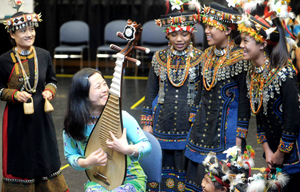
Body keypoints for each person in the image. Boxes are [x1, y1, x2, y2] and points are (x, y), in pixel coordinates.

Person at [184, 2, 251, 191]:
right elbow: (200, 91)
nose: (206, 31)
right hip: (202, 127)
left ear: (227, 30)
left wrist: (240, 135)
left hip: (227, 131)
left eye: (211, 27)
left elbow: (245, 99)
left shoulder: (240, 57)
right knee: (199, 181)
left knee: (225, 182)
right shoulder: (206, 55)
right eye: (206, 26)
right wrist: (192, 119)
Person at [0, 12, 68, 191]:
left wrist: (49, 91)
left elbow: (52, 80)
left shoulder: (44, 55)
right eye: (23, 31)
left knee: (45, 156)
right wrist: (14, 95)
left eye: (31, 29)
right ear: (12, 34)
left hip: (42, 117)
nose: (29, 34)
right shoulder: (4, 60)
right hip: (17, 121)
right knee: (21, 158)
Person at [237, 2, 300, 190]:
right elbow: (260, 117)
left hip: (291, 155)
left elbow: (292, 121)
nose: (241, 46)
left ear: (262, 43)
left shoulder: (284, 73)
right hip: (272, 154)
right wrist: (268, 151)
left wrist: (280, 154)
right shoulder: (252, 74)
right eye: (241, 40)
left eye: (245, 41)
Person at [140, 1, 202, 190]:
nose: (179, 39)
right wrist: (147, 122)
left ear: (191, 33)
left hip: (188, 123)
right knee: (161, 169)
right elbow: (151, 90)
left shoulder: (201, 58)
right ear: (167, 34)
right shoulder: (159, 58)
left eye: (184, 34)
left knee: (185, 170)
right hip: (162, 122)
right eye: (174, 34)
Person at [63, 68, 151, 191]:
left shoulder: (121, 117)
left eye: (105, 84)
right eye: (98, 87)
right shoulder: (73, 125)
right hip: (99, 179)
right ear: (83, 94)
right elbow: (71, 155)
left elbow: (147, 145)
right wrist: (87, 162)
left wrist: (128, 149)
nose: (105, 89)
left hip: (131, 179)